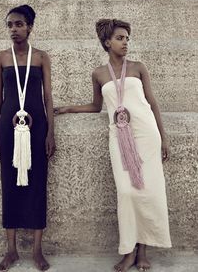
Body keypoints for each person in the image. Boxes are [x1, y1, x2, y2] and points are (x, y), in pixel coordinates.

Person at [54, 19, 171, 272]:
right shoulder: (99, 73)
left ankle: (142, 251)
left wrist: (163, 137)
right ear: (107, 42)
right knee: (127, 193)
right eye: (120, 38)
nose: (125, 42)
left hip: (146, 134)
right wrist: (67, 108)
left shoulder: (138, 68)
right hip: (119, 137)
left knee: (149, 192)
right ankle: (127, 251)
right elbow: (96, 107)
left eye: (127, 38)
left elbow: (152, 102)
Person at [0, 4, 55, 271]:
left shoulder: (41, 57)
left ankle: (38, 251)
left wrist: (51, 131)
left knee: (38, 182)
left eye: (18, 24)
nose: (13, 29)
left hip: (37, 125)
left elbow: (48, 97)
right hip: (8, 126)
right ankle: (12, 251)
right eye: (10, 25)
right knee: (10, 184)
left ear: (29, 27)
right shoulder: (1, 57)